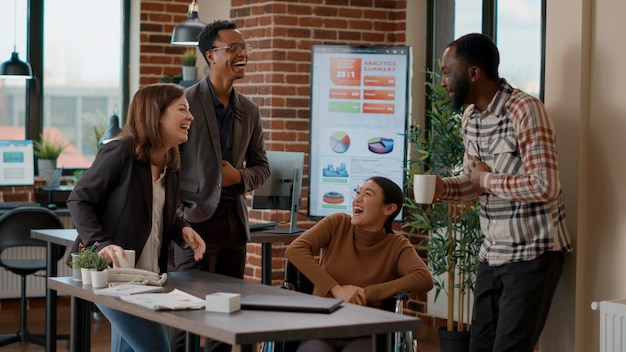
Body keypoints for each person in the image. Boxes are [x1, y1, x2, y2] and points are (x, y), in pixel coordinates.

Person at [435, 33, 573, 352]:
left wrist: (485, 180)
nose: (443, 82)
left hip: (532, 251)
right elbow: (475, 181)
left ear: (473, 73)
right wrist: (444, 187)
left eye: (446, 71)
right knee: (479, 346)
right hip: (492, 251)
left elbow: (544, 185)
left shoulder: (525, 110)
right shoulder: (470, 119)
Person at [67, 83, 206, 352]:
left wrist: (182, 229)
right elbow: (79, 198)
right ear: (157, 115)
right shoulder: (121, 151)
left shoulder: (171, 161)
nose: (190, 117)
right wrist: (100, 243)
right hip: (110, 276)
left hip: (146, 277)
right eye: (182, 109)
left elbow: (159, 212)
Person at [170, 19, 270, 352]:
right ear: (211, 55)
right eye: (234, 48)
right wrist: (177, 218)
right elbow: (167, 165)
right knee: (185, 311)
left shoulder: (250, 111)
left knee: (225, 318)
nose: (243, 54)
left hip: (234, 224)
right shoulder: (183, 102)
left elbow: (262, 167)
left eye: (245, 48)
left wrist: (239, 178)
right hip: (193, 223)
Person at [285, 176, 434, 352]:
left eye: (368, 194)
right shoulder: (337, 224)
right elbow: (295, 250)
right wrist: (336, 289)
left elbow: (424, 279)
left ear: (388, 208)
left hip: (365, 332)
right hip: (322, 328)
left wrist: (369, 293)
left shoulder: (396, 245)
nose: (358, 198)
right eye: (358, 192)